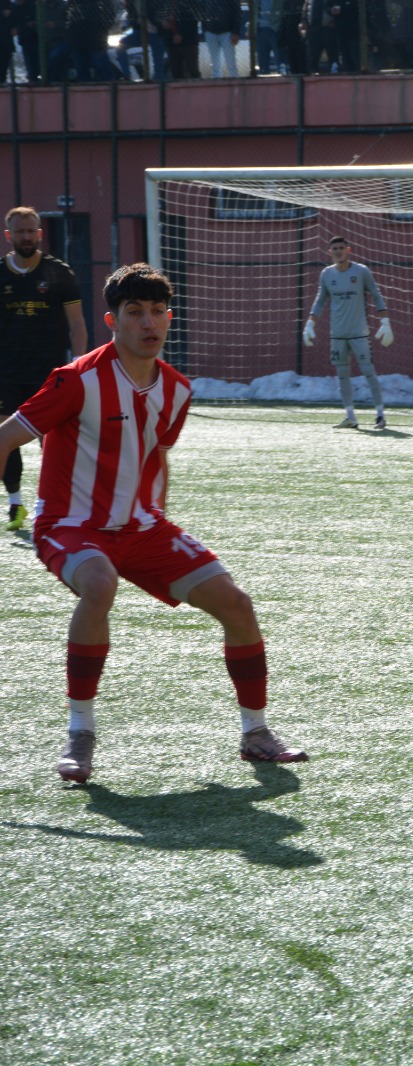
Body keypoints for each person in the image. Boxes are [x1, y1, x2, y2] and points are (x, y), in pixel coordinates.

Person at [0, 263, 307, 784]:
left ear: (170, 318)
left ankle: (255, 734)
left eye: (158, 311)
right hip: (70, 524)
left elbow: (155, 453)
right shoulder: (77, 381)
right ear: (111, 321)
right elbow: (6, 437)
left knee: (237, 604)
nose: (150, 323)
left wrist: (155, 508)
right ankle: (80, 733)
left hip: (142, 528)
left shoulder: (177, 390)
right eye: (135, 312)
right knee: (99, 584)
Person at [2, 206, 87, 531]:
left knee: (51, 441)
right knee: (4, 438)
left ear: (40, 233)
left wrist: (77, 366)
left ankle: (55, 506)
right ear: (9, 236)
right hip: (6, 373)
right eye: (19, 231)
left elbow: (77, 325)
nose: (26, 236)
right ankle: (15, 505)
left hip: (48, 374)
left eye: (31, 231)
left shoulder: (59, 273)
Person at [303, 236, 392, 429]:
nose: (338, 251)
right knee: (342, 375)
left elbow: (376, 295)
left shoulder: (361, 272)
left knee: (369, 372)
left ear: (348, 250)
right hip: (338, 335)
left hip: (359, 333)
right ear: (330, 252)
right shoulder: (326, 274)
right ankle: (350, 416)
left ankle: (380, 416)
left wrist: (385, 321)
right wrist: (309, 324)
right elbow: (320, 301)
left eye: (341, 248)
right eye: (334, 248)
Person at [199, 0, 241, 77]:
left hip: (227, 32)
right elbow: (202, 13)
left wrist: (235, 32)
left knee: (231, 62)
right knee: (215, 64)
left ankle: (234, 82)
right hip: (210, 32)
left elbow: (237, 14)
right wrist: (205, 30)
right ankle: (215, 83)